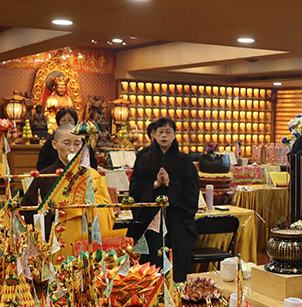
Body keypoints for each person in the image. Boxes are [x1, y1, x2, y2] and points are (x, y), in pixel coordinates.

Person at [21, 124, 114, 255]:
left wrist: (81, 207)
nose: (72, 149)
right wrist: (49, 213)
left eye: (77, 144)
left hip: (87, 244)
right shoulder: (45, 176)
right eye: (66, 143)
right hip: (57, 246)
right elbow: (27, 213)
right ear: (54, 144)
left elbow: (107, 210)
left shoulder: (92, 175)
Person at [130, 118, 200, 283]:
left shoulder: (184, 160)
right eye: (160, 132)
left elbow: (192, 190)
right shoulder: (143, 158)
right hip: (150, 219)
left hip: (177, 220)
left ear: (174, 135)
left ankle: (176, 292)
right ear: (154, 134)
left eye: (168, 132)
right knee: (151, 260)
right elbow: (135, 187)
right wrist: (154, 185)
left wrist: (170, 185)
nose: (164, 135)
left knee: (175, 262)